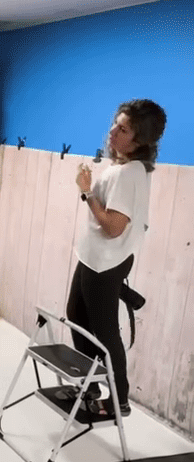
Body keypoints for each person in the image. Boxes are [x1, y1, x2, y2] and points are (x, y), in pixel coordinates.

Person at [67, 99, 167, 420]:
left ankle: (119, 399)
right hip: (95, 257)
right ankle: (91, 386)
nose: (112, 131)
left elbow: (113, 227)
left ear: (139, 141)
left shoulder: (128, 174)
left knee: (105, 332)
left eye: (123, 129)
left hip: (105, 262)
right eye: (116, 123)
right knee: (78, 317)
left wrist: (86, 192)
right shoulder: (126, 168)